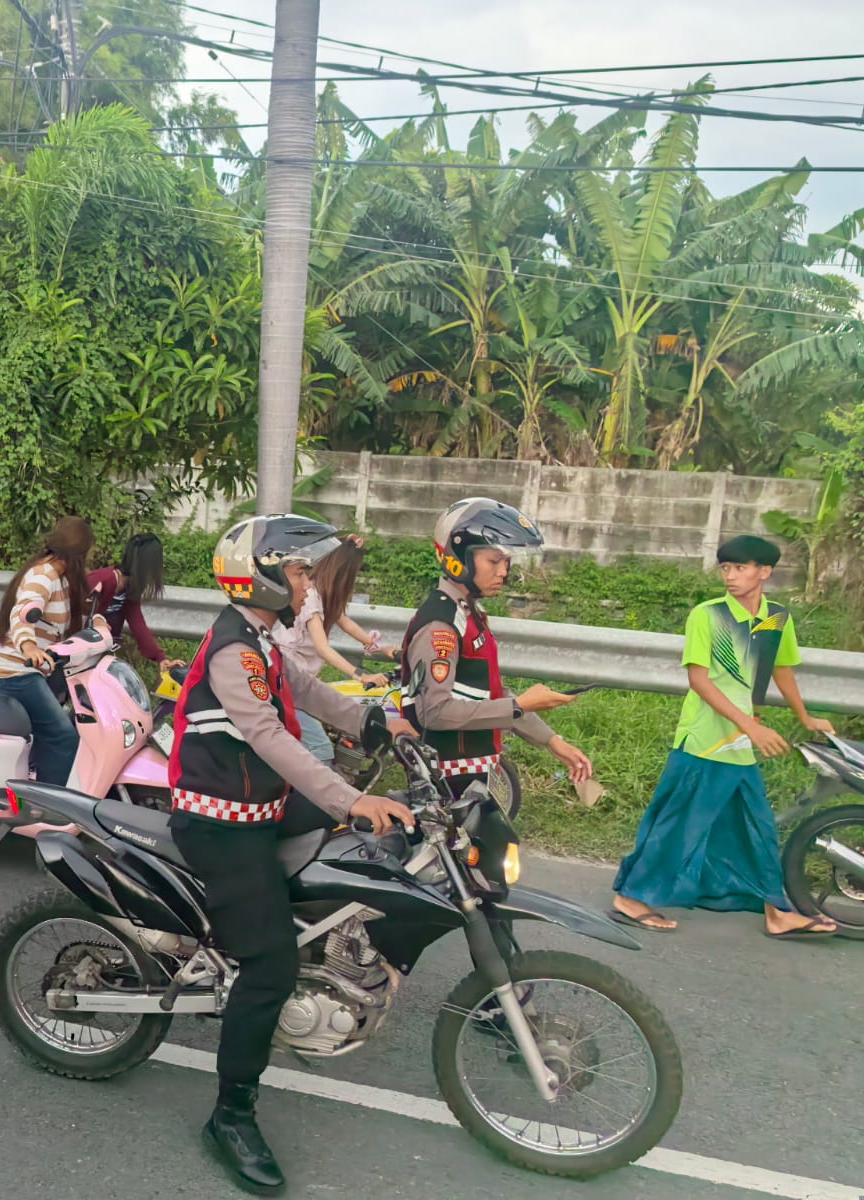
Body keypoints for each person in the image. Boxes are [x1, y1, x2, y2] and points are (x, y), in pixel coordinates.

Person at [168, 513, 415, 1195]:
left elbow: (308, 693)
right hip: (222, 825)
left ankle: (332, 953)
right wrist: (348, 798)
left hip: (263, 808)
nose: (309, 584)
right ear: (264, 576)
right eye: (301, 571)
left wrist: (381, 720)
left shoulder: (262, 640)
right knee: (270, 965)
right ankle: (230, 1116)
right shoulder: (234, 651)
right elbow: (272, 738)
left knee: (385, 840)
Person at [611, 536, 838, 938]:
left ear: (764, 572)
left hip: (740, 744)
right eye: (726, 568)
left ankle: (776, 912)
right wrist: (751, 726)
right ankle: (631, 897)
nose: (730, 576)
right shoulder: (709, 615)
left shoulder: (775, 618)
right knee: (681, 823)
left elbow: (780, 668)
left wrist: (805, 717)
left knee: (757, 827)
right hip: (705, 740)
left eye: (740, 568)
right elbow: (699, 680)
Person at [401, 497, 593, 797]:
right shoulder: (441, 625)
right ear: (459, 558)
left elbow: (490, 696)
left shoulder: (468, 615)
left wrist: (552, 741)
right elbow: (434, 712)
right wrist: (520, 705)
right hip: (447, 784)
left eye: (506, 562)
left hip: (473, 775)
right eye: (493, 561)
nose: (503, 571)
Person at [0, 517, 95, 788]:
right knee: (63, 736)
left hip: (35, 668)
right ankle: (48, 801)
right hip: (13, 671)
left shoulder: (62, 577)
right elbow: (22, 613)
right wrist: (29, 646)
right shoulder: (43, 576)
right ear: (80, 554)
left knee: (73, 718)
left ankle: (37, 774)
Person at [270, 537, 391, 763]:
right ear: (343, 573)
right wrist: (360, 675)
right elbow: (322, 648)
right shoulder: (311, 597)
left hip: (298, 684)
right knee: (321, 749)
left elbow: (344, 622)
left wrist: (379, 648)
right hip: (286, 684)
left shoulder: (322, 594)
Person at [86, 532, 185, 675]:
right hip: (79, 654)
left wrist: (161, 658)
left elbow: (137, 623)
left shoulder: (130, 587)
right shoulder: (103, 579)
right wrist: (96, 620)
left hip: (100, 656)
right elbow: (75, 612)